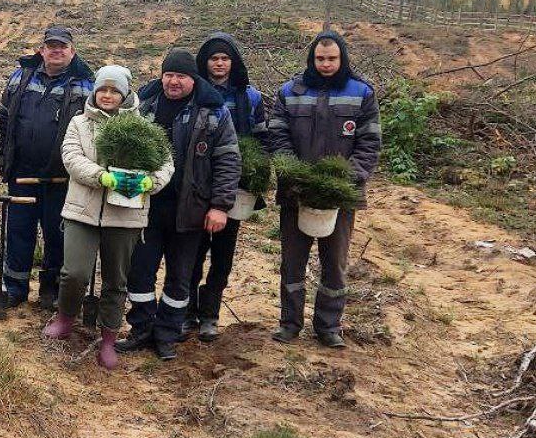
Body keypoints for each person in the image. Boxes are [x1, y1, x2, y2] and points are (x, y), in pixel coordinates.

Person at [42, 65, 174, 370]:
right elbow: (71, 158)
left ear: (126, 93)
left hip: (125, 216)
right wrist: (101, 177)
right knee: (73, 272)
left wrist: (148, 183)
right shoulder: (79, 123)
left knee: (116, 280)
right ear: (94, 91)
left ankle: (109, 339)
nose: (107, 95)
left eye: (115, 90)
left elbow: (166, 164)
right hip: (82, 211)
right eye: (103, 89)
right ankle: (65, 317)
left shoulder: (145, 127)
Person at [118, 49, 241, 361]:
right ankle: (142, 328)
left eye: (180, 76)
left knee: (180, 275)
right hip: (146, 206)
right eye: (169, 75)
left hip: (191, 209)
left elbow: (228, 160)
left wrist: (220, 206)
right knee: (140, 272)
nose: (173, 81)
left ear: (193, 78)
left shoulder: (212, 111)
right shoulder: (142, 105)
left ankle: (167, 334)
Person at [268, 30, 382, 348]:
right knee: (292, 261)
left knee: (335, 262)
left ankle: (328, 326)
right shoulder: (290, 91)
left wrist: (346, 180)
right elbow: (278, 136)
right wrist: (294, 174)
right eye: (320, 58)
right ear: (312, 58)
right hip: (297, 193)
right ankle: (289, 323)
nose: (326, 64)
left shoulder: (361, 92)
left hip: (340, 195)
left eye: (332, 58)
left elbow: (369, 142)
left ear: (342, 58)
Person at [0, 26, 94, 309]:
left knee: (57, 234)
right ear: (42, 50)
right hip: (22, 172)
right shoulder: (20, 77)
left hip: (62, 177)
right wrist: (3, 157)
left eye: (62, 46)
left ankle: (50, 291)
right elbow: (3, 117)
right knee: (18, 231)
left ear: (72, 51)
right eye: (51, 45)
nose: (56, 50)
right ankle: (15, 287)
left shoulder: (85, 83)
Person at [186, 33, 269, 341]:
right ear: (204, 63)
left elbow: (261, 140)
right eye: (213, 58)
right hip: (196, 186)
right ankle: (187, 312)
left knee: (223, 255)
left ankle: (210, 313)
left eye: (224, 59)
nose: (219, 64)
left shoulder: (250, 97)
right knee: (191, 254)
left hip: (231, 186)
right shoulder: (195, 93)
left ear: (233, 63)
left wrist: (253, 173)